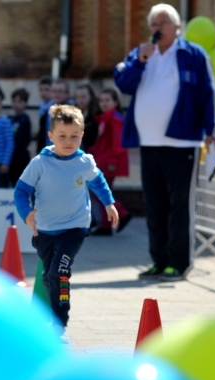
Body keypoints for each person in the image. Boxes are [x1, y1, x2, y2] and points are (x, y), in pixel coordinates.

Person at [115, 3, 215, 281]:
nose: (157, 28)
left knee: (178, 205)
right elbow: (124, 85)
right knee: (155, 204)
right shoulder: (141, 54)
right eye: (153, 24)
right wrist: (140, 62)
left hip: (182, 143)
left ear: (177, 27)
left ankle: (179, 263)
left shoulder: (192, 55)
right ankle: (159, 261)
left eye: (163, 23)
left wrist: (212, 128)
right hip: (149, 143)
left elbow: (208, 92)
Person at [14, 104, 118, 341]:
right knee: (49, 275)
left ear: (82, 135)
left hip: (75, 227)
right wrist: (27, 213)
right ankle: (46, 315)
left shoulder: (84, 161)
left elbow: (98, 180)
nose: (68, 142)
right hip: (45, 229)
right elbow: (21, 191)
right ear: (51, 136)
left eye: (74, 137)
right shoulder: (40, 163)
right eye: (62, 136)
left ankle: (59, 325)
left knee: (60, 273)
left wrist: (108, 203)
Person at [89, 88, 132, 235]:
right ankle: (106, 225)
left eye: (107, 100)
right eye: (101, 100)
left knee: (100, 192)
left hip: (108, 162)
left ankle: (122, 214)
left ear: (116, 102)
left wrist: (113, 160)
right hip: (103, 160)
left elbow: (118, 142)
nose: (103, 103)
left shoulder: (114, 119)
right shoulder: (105, 118)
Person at [8, 88, 32, 185]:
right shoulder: (10, 119)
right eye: (14, 101)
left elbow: (23, 139)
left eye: (20, 101)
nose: (16, 104)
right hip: (11, 157)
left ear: (25, 103)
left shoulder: (25, 120)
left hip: (20, 158)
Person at [74, 84, 100, 151]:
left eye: (83, 97)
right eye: (78, 97)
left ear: (90, 97)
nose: (80, 100)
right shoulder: (74, 115)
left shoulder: (97, 115)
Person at [36, 76, 53, 154]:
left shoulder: (52, 109)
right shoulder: (42, 107)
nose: (43, 93)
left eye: (47, 90)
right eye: (41, 90)